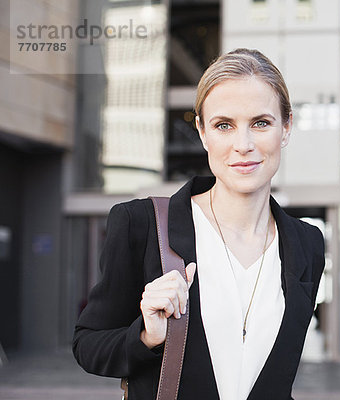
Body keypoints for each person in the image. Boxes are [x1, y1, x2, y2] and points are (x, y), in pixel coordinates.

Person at [73, 48, 325, 400]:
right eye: (224, 125)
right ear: (203, 132)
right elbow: (89, 345)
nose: (243, 145)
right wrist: (146, 334)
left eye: (261, 123)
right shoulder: (141, 224)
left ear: (286, 128)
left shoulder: (307, 243)